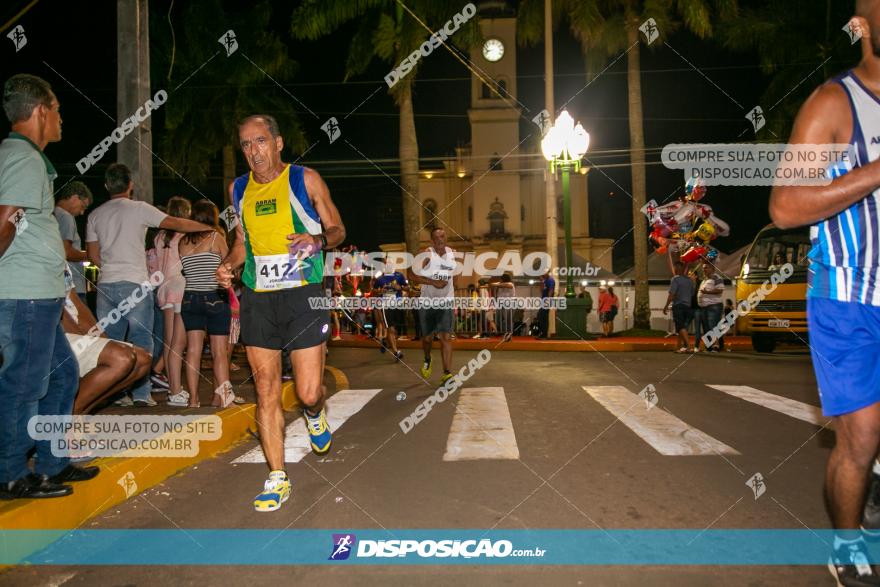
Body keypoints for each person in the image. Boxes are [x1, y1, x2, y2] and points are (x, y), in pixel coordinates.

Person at [768, 9, 880, 583]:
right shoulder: (835, 103)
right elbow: (785, 206)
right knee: (861, 439)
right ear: (862, 25)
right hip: (850, 294)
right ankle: (847, 541)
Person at [216, 114, 345, 512]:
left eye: (259, 141)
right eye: (246, 145)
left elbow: (339, 229)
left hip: (303, 293)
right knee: (267, 389)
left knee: (307, 391)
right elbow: (242, 241)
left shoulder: (304, 180)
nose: (253, 151)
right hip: (259, 296)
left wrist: (317, 239)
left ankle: (313, 412)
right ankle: (277, 477)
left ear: (278, 143)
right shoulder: (237, 189)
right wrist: (229, 265)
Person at [0, 73, 96, 500]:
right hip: (25, 295)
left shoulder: (24, 157)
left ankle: (51, 464)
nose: (61, 119)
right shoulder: (22, 157)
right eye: (57, 110)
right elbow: (5, 220)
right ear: (40, 111)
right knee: (24, 383)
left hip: (39, 294)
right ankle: (11, 472)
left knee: (61, 376)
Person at [85, 164, 212, 407]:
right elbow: (176, 223)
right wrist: (208, 226)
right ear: (130, 185)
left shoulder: (95, 215)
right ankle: (141, 394)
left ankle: (116, 394)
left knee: (112, 343)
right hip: (135, 283)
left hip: (107, 285)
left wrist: (112, 267)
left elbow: (92, 255)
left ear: (106, 186)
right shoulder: (139, 209)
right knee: (141, 339)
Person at [179, 200, 240, 408]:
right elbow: (227, 266)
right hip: (214, 297)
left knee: (193, 351)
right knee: (219, 352)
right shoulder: (216, 237)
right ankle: (224, 398)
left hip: (189, 299)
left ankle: (193, 399)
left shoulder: (183, 242)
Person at [60, 279, 152, 414]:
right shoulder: (41, 261)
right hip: (56, 335)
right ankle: (68, 416)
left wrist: (103, 340)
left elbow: (78, 307)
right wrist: (86, 342)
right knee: (121, 358)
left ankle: (80, 411)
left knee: (143, 359)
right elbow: (58, 313)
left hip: (74, 334)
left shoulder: (63, 265)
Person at [154, 196, 192, 405]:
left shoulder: (160, 236)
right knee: (179, 342)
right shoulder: (185, 235)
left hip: (164, 287)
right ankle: (175, 391)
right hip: (180, 285)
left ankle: (173, 386)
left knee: (169, 342)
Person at [410, 227, 456, 384]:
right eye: (437, 238)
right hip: (427, 302)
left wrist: (451, 287)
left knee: (446, 337)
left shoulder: (451, 253)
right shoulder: (427, 254)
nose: (440, 240)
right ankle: (428, 358)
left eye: (443, 236)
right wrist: (433, 282)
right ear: (432, 241)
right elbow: (411, 274)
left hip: (446, 301)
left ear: (446, 237)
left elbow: (452, 275)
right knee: (428, 339)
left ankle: (447, 373)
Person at [53, 180, 92, 303]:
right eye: (83, 206)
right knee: (81, 321)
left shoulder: (51, 214)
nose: (82, 212)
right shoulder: (66, 217)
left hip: (57, 284)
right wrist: (91, 255)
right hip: (73, 285)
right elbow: (67, 252)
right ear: (75, 198)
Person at [372, 260, 407, 360]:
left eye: (390, 264)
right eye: (387, 264)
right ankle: (396, 352)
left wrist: (399, 287)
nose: (389, 266)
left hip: (398, 305)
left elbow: (407, 287)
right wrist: (380, 291)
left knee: (394, 329)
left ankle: (385, 342)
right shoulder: (380, 278)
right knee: (390, 329)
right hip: (386, 306)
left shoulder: (399, 276)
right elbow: (373, 290)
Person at [663, 262, 695, 353]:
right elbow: (692, 293)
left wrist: (666, 306)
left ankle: (688, 346)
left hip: (678, 305)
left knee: (680, 327)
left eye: (675, 267)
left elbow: (671, 294)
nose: (674, 269)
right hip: (688, 306)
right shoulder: (689, 280)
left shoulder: (675, 279)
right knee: (683, 327)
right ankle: (679, 347)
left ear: (677, 268)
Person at [698, 260, 725, 353]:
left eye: (706, 267)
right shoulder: (705, 279)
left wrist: (707, 292)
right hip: (705, 307)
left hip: (714, 306)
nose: (704, 269)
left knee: (713, 326)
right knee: (707, 327)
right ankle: (710, 346)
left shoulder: (716, 278)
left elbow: (720, 290)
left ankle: (716, 345)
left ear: (712, 268)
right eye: (703, 268)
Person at [494, 273, 516, 342]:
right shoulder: (500, 285)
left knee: (508, 320)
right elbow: (493, 285)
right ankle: (504, 333)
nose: (500, 280)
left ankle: (508, 336)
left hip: (509, 303)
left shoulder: (510, 284)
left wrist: (497, 284)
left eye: (501, 278)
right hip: (501, 303)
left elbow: (507, 285)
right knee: (498, 319)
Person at [535, 271, 556, 339]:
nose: (542, 275)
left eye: (543, 273)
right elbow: (541, 291)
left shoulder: (550, 280)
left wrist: (548, 300)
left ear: (547, 273)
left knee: (543, 316)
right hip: (544, 301)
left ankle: (544, 334)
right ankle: (543, 333)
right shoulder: (545, 281)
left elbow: (551, 290)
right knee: (541, 316)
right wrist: (541, 281)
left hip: (547, 301)